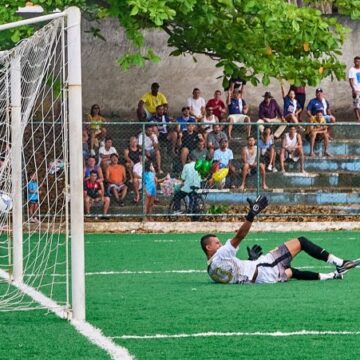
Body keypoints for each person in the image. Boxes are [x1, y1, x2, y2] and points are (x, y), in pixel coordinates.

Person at [201, 195, 360, 284]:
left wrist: (250, 261)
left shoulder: (210, 270)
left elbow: (235, 272)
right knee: (301, 242)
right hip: (264, 268)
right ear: (209, 248)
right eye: (217, 243)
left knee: (291, 272)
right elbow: (239, 237)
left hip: (261, 277)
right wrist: (252, 214)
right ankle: (340, 263)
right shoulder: (220, 255)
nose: (220, 244)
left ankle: (334, 276)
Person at [124, 136, 142, 203]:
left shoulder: (139, 149)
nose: (134, 143)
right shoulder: (127, 149)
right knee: (128, 165)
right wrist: (130, 161)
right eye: (133, 142)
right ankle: (131, 177)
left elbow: (141, 156)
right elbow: (126, 156)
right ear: (130, 142)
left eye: (135, 142)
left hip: (138, 164)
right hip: (131, 162)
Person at [348, 56, 360, 121]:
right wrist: (353, 89)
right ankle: (358, 119)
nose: (357, 63)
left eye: (359, 61)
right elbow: (350, 80)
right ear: (354, 62)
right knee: (356, 105)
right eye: (356, 61)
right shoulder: (352, 70)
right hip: (356, 90)